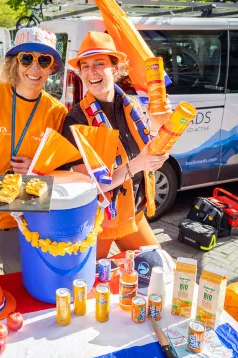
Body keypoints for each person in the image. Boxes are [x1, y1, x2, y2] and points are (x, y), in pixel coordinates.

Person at [0, 27, 67, 276]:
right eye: (27, 58)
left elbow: (62, 171)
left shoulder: (57, 112)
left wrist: (36, 168)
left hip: (22, 220)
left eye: (44, 60)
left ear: (52, 68)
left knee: (20, 288)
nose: (35, 68)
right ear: (14, 63)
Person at [61, 31, 171, 260]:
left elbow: (150, 151)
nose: (91, 72)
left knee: (157, 267)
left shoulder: (132, 105)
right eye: (85, 66)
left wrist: (159, 126)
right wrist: (138, 164)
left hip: (132, 213)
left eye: (99, 64)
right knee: (86, 286)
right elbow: (91, 185)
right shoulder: (76, 119)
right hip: (96, 220)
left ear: (115, 67)